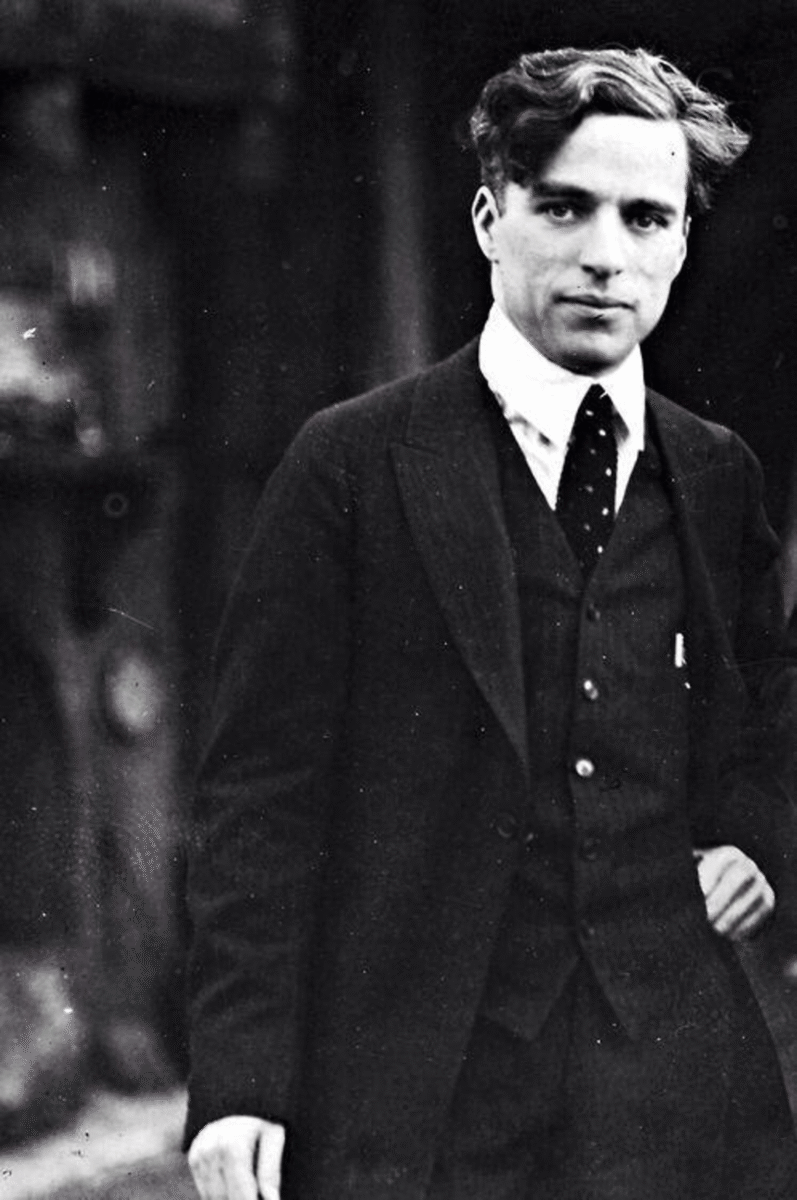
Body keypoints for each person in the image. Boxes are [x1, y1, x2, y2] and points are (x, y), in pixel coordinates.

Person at [185, 46, 797, 1200]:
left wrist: (754, 837)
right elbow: (258, 795)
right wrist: (239, 1082)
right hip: (427, 1091)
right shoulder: (354, 464)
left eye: (643, 217)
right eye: (562, 207)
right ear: (487, 216)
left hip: (671, 1091)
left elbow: (767, 697)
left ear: (676, 244)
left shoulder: (714, 477)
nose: (603, 255)